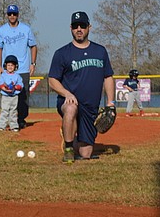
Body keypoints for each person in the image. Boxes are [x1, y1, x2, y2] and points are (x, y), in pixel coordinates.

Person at [48, 11, 115, 164]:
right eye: (75, 26)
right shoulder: (62, 53)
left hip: (91, 108)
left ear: (89, 27)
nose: (79, 29)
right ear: (71, 28)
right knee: (71, 109)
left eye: (82, 26)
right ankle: (69, 149)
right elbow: (52, 80)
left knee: (85, 154)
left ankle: (68, 133)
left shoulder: (100, 51)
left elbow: (108, 77)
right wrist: (67, 94)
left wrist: (111, 102)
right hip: (70, 102)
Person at [0, 4, 38, 129]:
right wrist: (0, 67)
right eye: (10, 14)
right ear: (7, 15)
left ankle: (21, 119)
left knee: (23, 97)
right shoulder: (2, 30)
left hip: (23, 68)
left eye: (14, 14)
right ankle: (6, 121)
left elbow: (33, 46)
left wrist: (33, 63)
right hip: (8, 69)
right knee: (7, 95)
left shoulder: (26, 29)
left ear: (18, 15)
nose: (12, 16)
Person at [0, 55, 24, 132]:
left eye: (12, 65)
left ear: (15, 66)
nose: (10, 67)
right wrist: (4, 88)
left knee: (13, 111)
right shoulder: (3, 75)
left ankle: (14, 126)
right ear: (5, 66)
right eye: (8, 65)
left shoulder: (17, 76)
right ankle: (2, 126)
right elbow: (0, 83)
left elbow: (20, 85)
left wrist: (15, 87)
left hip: (14, 96)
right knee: (5, 110)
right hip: (5, 96)